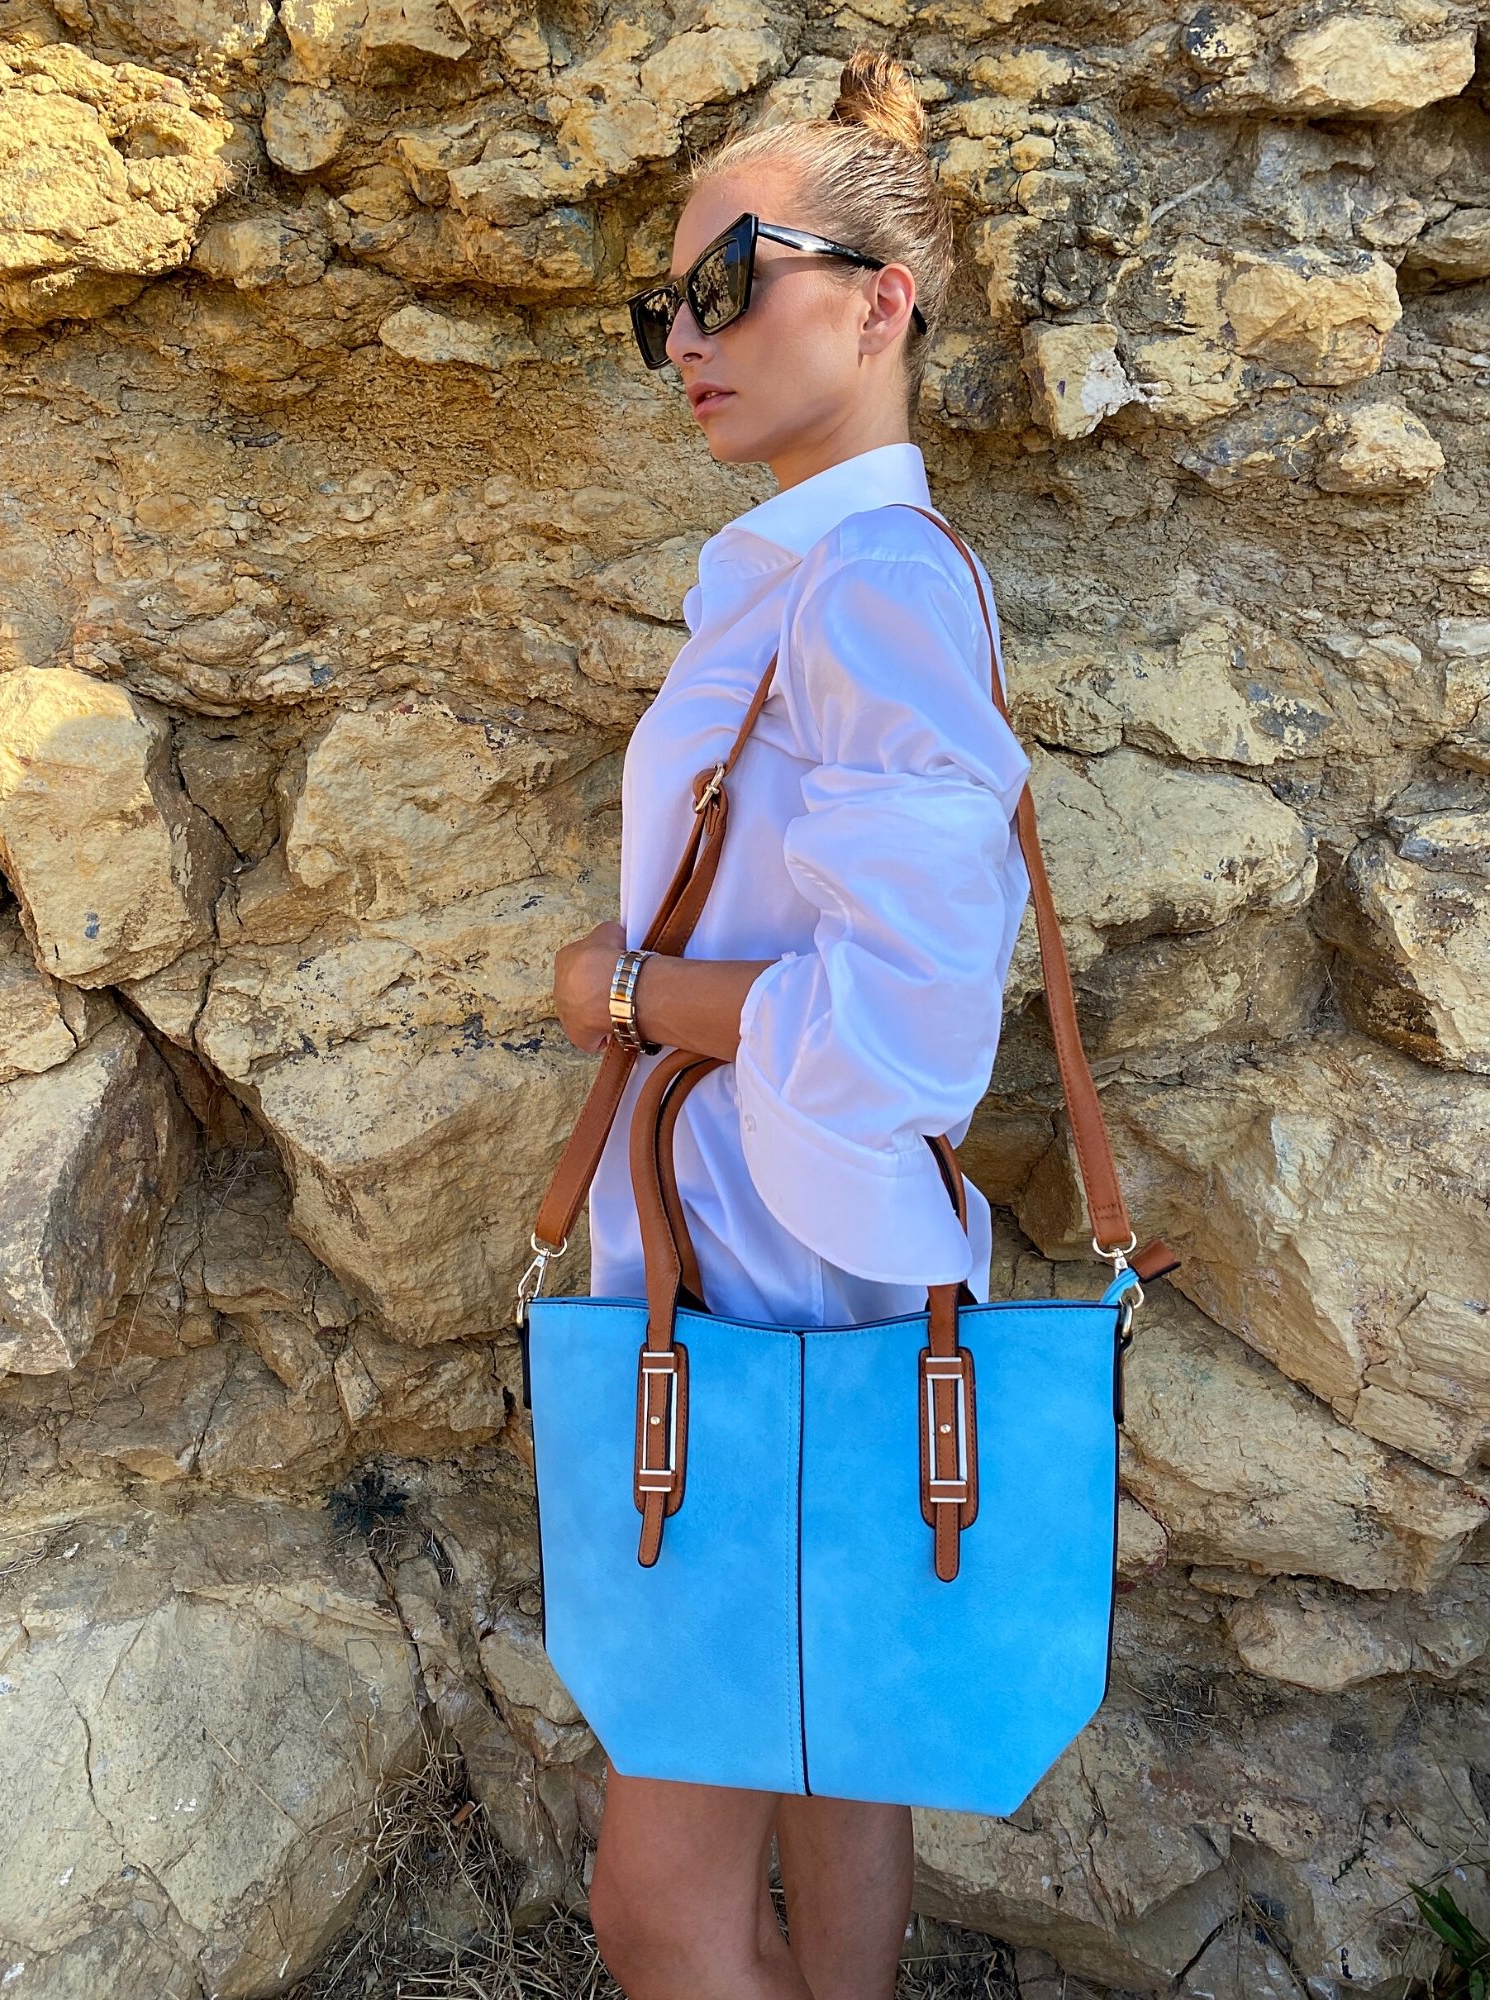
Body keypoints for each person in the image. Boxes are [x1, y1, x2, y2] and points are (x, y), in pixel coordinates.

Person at [549, 46, 1034, 2000]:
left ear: (881, 297)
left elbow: (915, 1032)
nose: (690, 331)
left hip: (755, 1294)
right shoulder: (806, 580)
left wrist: (629, 994)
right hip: (802, 1273)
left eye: (732, 279)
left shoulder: (863, 592)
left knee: (656, 1909)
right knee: (843, 1765)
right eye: (664, 300)